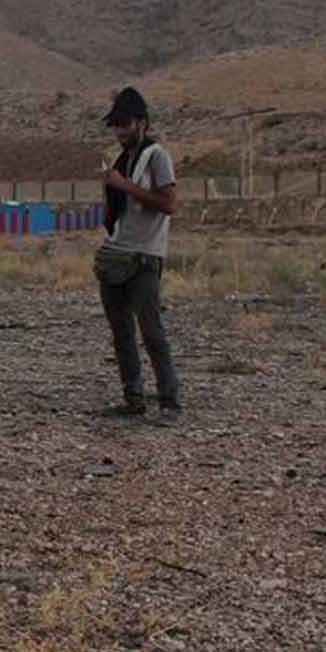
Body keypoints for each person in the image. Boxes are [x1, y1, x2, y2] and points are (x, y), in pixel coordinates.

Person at [96, 86, 182, 423]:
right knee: (122, 334)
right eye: (115, 125)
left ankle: (169, 402)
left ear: (141, 123)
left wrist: (122, 186)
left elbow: (168, 203)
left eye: (125, 124)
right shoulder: (122, 160)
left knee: (152, 331)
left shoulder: (156, 156)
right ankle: (133, 398)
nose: (120, 131)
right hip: (117, 252)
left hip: (145, 255)